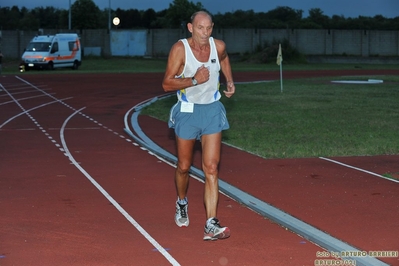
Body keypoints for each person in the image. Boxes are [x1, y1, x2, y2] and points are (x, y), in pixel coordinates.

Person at [162, 11, 235, 241]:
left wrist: (229, 79)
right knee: (184, 166)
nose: (205, 33)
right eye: (200, 28)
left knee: (211, 168)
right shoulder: (180, 49)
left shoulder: (218, 46)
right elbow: (166, 83)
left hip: (212, 110)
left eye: (209, 28)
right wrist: (194, 80)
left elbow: (223, 59)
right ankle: (182, 202)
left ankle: (210, 224)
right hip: (188, 111)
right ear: (190, 28)